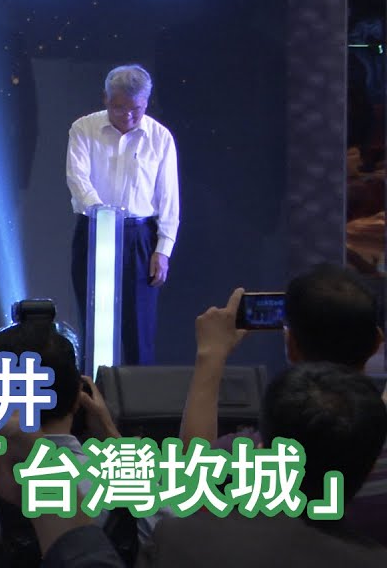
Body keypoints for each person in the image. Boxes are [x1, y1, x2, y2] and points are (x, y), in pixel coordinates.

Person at [181, 265, 387, 546]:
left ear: (291, 346)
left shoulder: (252, 463)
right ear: (376, 343)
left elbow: (192, 480)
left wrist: (211, 355)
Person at [66, 64, 179, 365]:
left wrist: (163, 250)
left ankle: (140, 394)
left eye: (136, 109)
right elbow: (77, 179)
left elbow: (169, 198)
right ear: (105, 98)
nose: (127, 116)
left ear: (146, 103)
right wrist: (102, 214)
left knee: (139, 330)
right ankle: (93, 390)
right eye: (118, 108)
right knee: (94, 324)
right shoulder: (84, 128)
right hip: (93, 230)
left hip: (140, 237)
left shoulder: (160, 137)